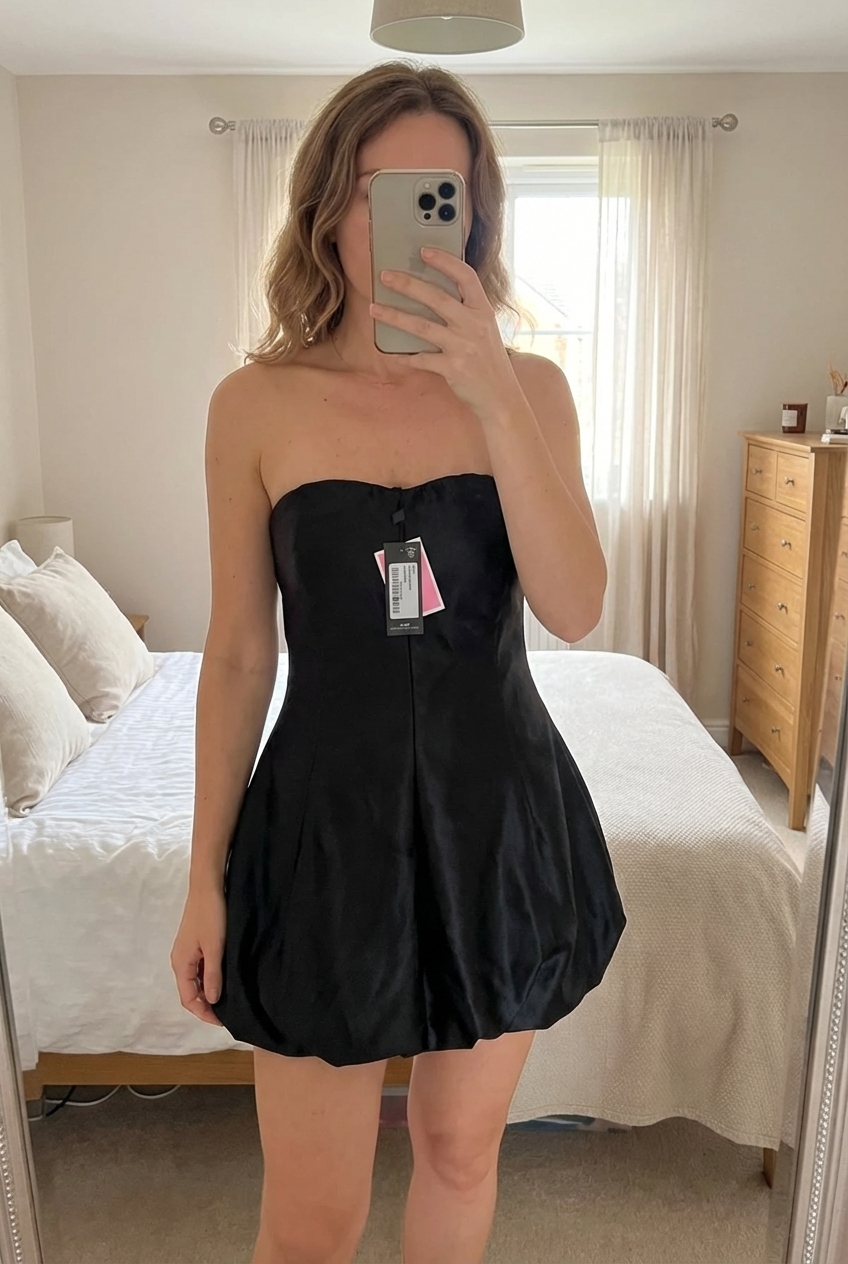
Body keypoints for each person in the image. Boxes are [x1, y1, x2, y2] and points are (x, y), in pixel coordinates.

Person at [170, 59, 626, 1264]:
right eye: (385, 191)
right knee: (311, 1219)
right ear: (330, 205)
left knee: (459, 1152)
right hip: (322, 828)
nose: (413, 223)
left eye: (443, 193)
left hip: (498, 820)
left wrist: (490, 393)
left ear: (473, 213)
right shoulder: (254, 404)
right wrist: (205, 874)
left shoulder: (532, 390)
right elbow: (237, 652)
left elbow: (576, 606)